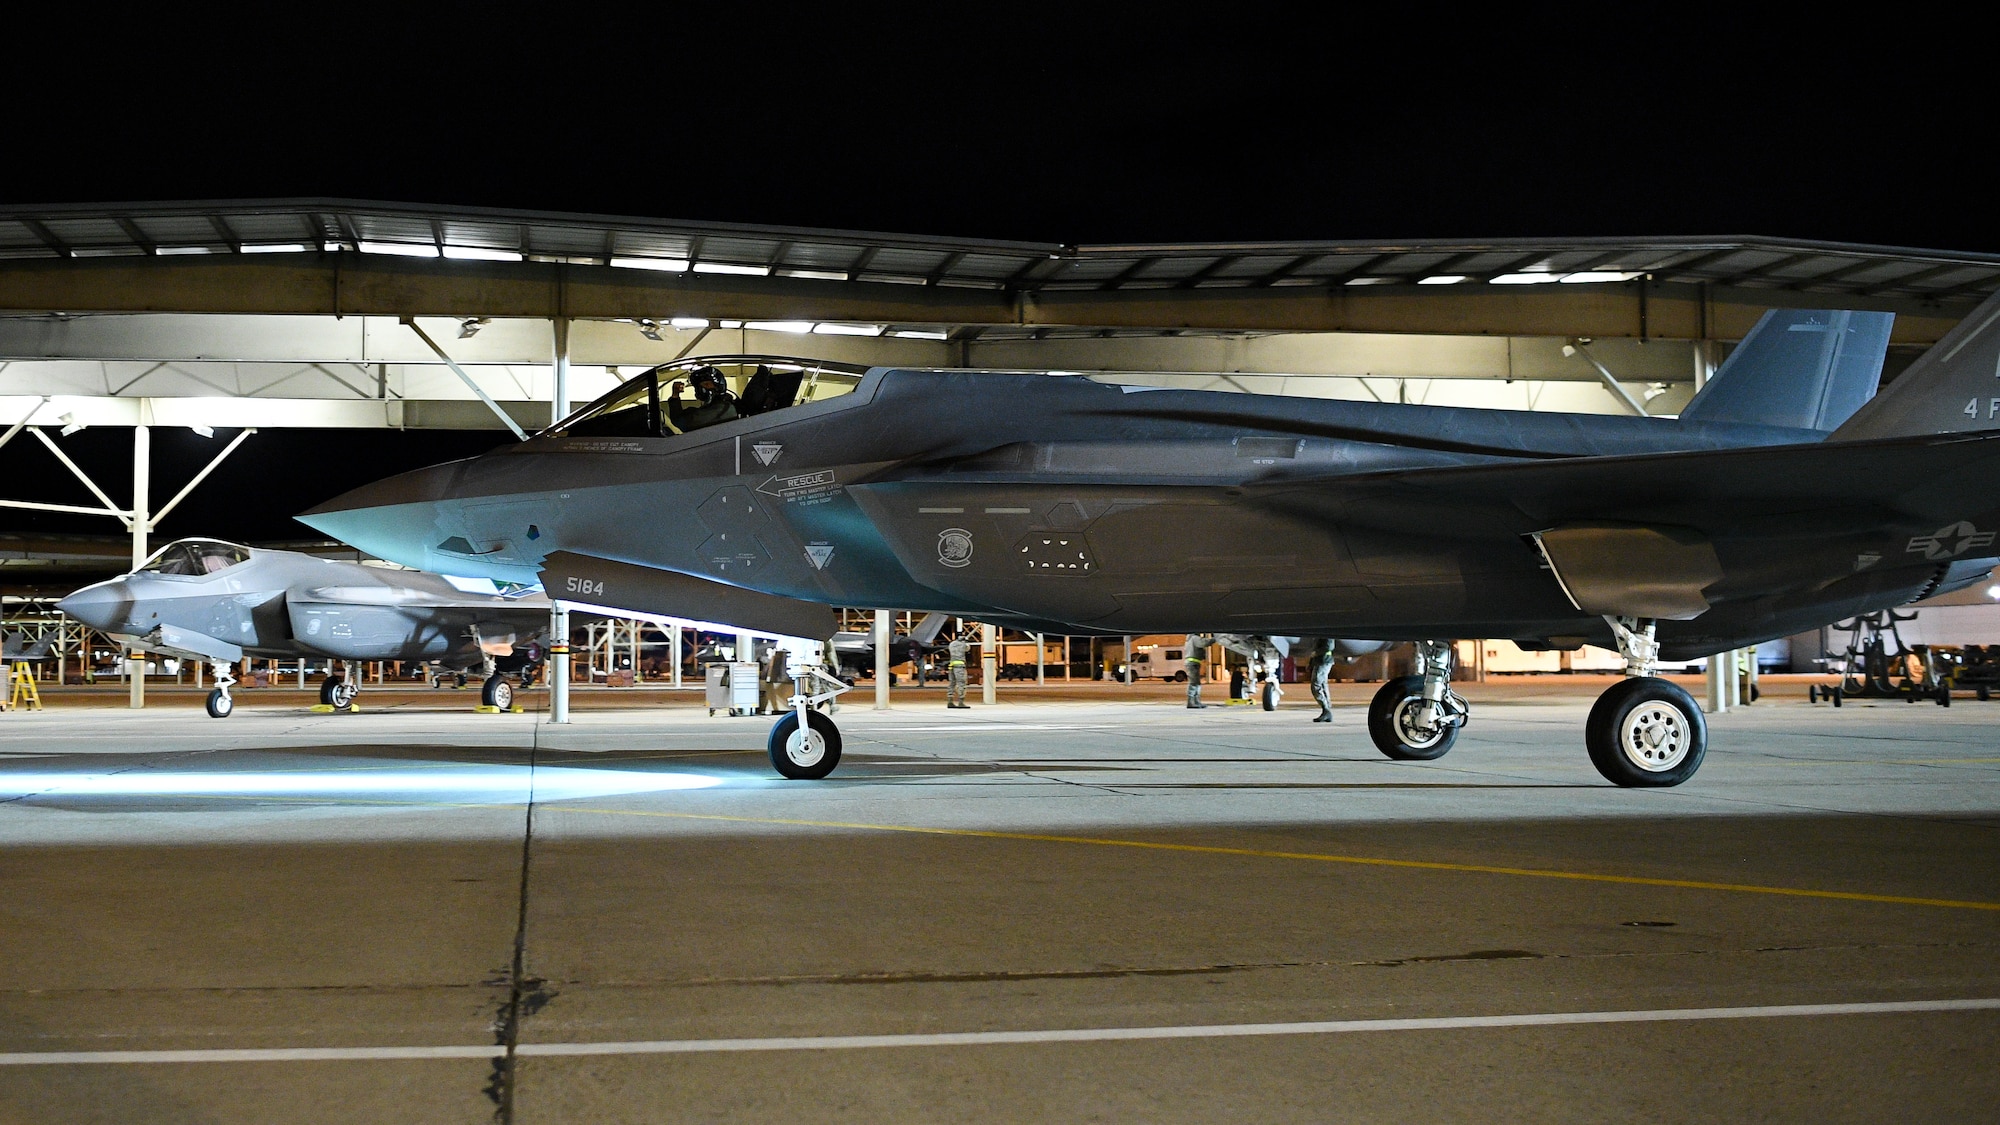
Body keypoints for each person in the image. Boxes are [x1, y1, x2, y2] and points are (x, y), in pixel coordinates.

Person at [667, 366, 739, 432]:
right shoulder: (719, 406)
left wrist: (675, 397)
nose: (701, 388)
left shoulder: (724, 409)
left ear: (718, 386)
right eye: (699, 386)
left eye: (706, 384)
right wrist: (675, 395)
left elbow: (680, 423)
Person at [1309, 637, 1336, 722]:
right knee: (1323, 685)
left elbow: (1329, 647)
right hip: (1320, 661)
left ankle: (1326, 709)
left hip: (1324, 661)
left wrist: (1316, 653)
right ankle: (1326, 710)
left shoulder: (1326, 633)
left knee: (1316, 685)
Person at [1184, 634, 1214, 708]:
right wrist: (1214, 639)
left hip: (1193, 663)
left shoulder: (1190, 639)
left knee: (1196, 683)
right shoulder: (1194, 638)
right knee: (1194, 683)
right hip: (1192, 663)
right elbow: (1203, 643)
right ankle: (1191, 702)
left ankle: (1196, 701)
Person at [945, 633, 970, 708]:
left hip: (951, 666)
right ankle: (961, 701)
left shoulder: (951, 644)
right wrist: (965, 642)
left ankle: (950, 701)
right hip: (960, 666)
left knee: (952, 683)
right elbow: (967, 649)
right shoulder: (963, 644)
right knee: (961, 683)